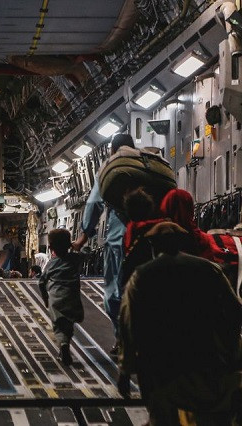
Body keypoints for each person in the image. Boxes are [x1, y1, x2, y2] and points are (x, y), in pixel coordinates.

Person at [118, 221, 242, 425]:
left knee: (163, 418)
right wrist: (229, 351)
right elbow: (233, 311)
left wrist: (125, 369)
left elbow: (129, 323)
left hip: (160, 365)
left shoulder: (142, 275)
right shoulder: (209, 270)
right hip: (206, 358)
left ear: (153, 245)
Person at [72, 133, 135, 354]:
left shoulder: (110, 168)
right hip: (155, 235)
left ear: (112, 150)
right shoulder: (149, 164)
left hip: (120, 240)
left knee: (114, 292)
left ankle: (122, 338)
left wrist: (83, 237)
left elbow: (94, 203)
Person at [39, 228, 84, 366]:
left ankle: (63, 345)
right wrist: (75, 246)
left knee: (59, 326)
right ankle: (66, 344)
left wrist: (46, 298)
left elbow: (42, 282)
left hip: (56, 298)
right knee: (68, 324)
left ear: (51, 248)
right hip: (72, 297)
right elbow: (87, 254)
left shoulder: (51, 264)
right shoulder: (75, 259)